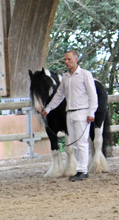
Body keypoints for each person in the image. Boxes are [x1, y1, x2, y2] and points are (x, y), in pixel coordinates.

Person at [41, 50, 98, 181]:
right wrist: (48, 109)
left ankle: (83, 170)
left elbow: (92, 95)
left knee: (82, 142)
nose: (66, 62)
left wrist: (91, 112)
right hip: (70, 112)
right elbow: (59, 95)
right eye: (65, 60)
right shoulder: (66, 77)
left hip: (82, 111)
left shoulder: (85, 74)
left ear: (76, 59)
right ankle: (79, 169)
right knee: (75, 143)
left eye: (69, 59)